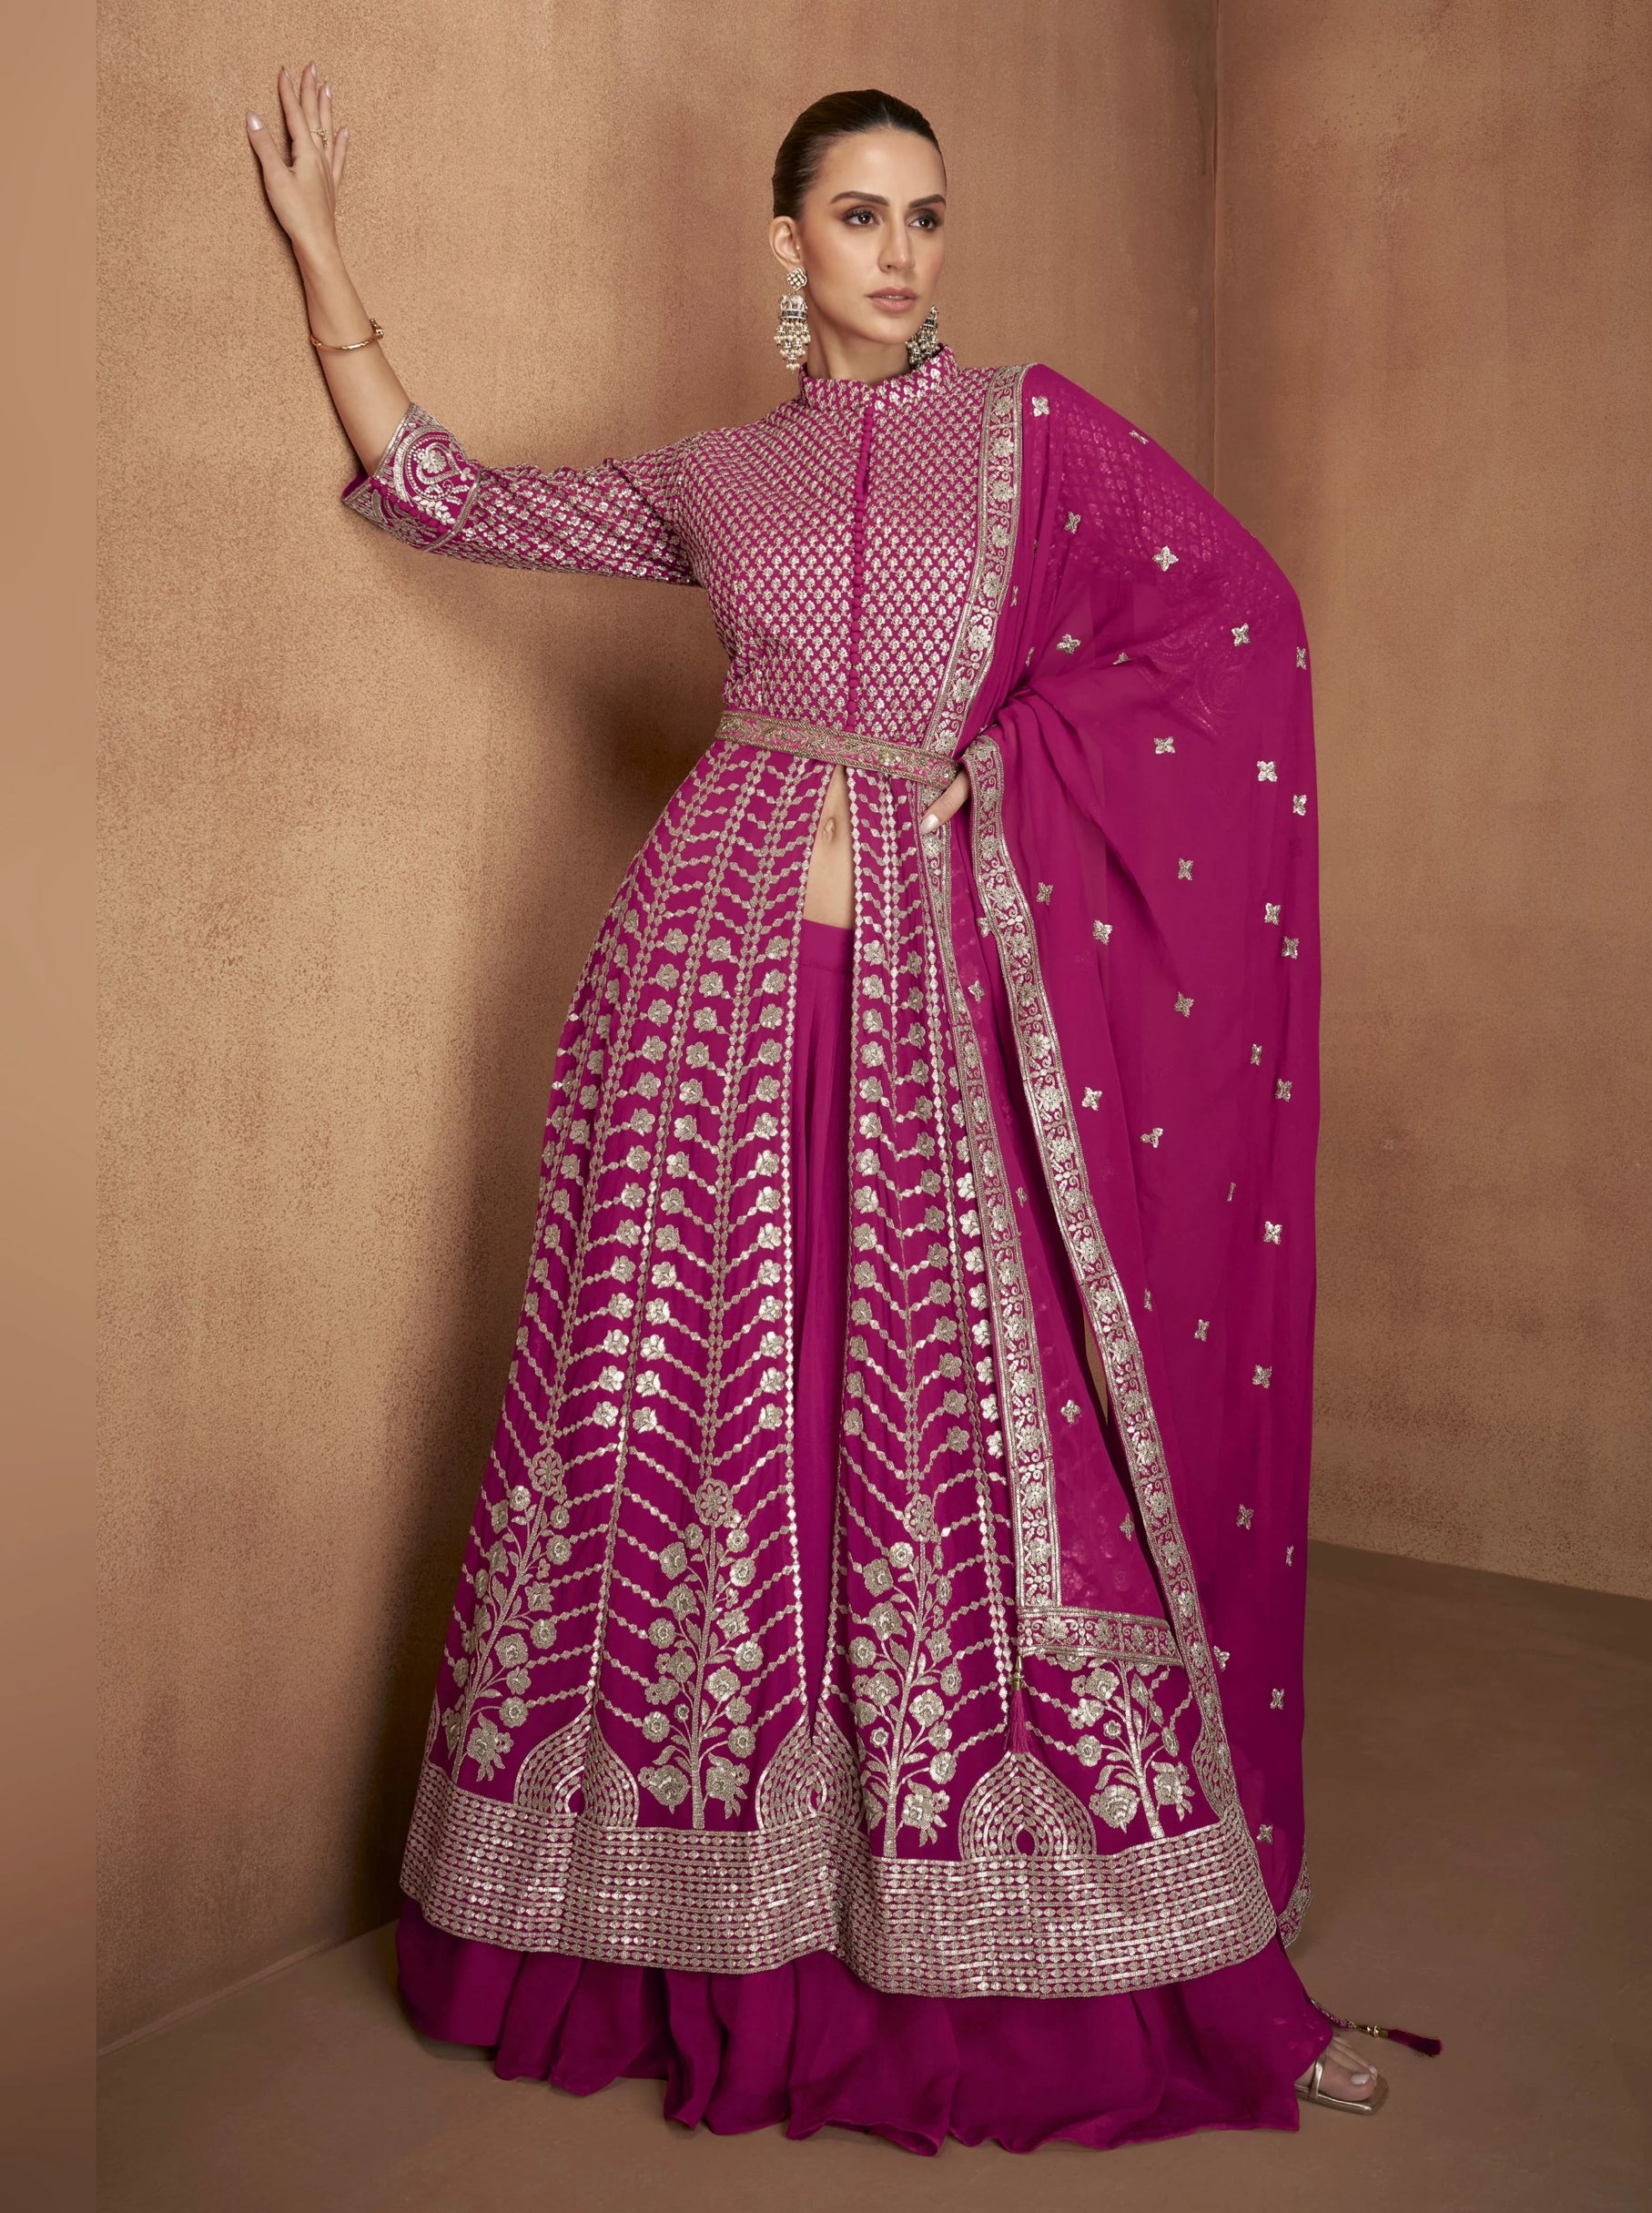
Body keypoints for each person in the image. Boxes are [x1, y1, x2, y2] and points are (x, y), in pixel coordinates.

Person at [248, 63, 1433, 2150]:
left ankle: (1100, 1950)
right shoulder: (718, 474)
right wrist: (331, 275)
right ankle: (660, 1912)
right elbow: (456, 495)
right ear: (782, 244)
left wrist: (1023, 778)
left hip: (928, 986)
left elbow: (1234, 622)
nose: (899, 255)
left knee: (951, 1436)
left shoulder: (1031, 442)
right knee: (684, 1416)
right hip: (700, 989)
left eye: (926, 216)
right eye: (860, 216)